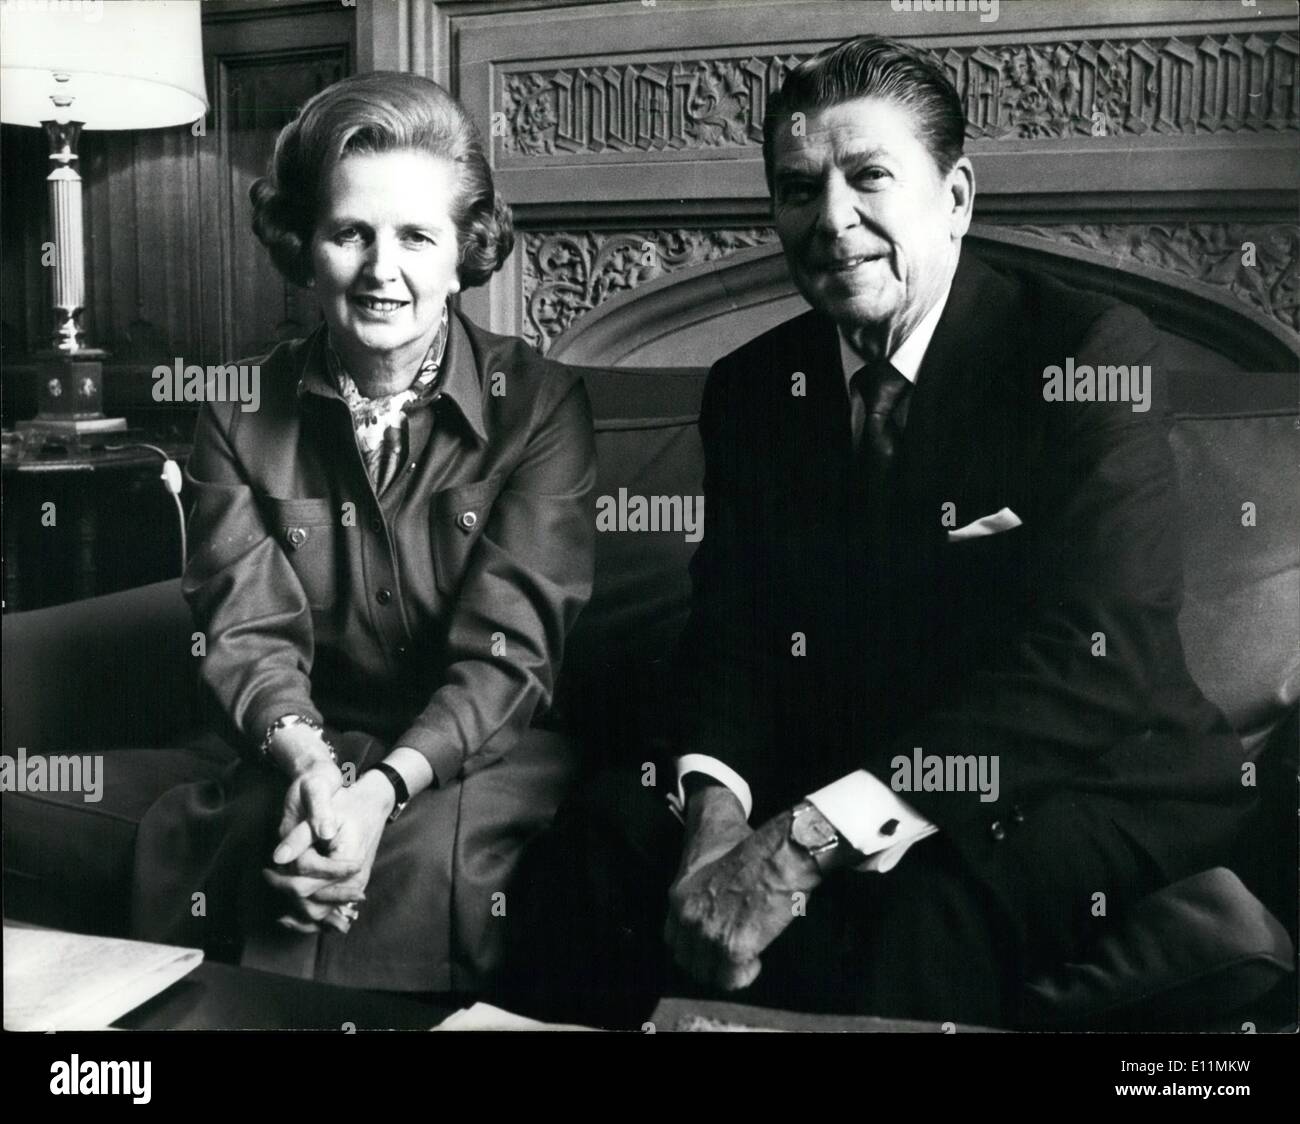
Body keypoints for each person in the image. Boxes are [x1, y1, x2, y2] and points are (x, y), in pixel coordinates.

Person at [494, 35, 1255, 1028]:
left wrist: (805, 835)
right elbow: (730, 637)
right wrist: (715, 817)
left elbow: (1093, 655)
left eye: (868, 178)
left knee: (912, 907)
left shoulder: (1086, 350)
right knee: (602, 837)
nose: (831, 221)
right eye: (798, 188)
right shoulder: (754, 388)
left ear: (955, 197)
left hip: (1085, 771)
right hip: (846, 757)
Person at [130, 71, 596, 994]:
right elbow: (246, 636)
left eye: (418, 236)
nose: (385, 271)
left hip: (480, 749)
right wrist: (309, 761)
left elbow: (509, 656)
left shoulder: (540, 405)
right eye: (351, 234)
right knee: (265, 847)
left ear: (466, 250)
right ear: (306, 246)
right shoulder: (235, 411)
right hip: (304, 743)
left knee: (416, 866)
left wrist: (380, 793)